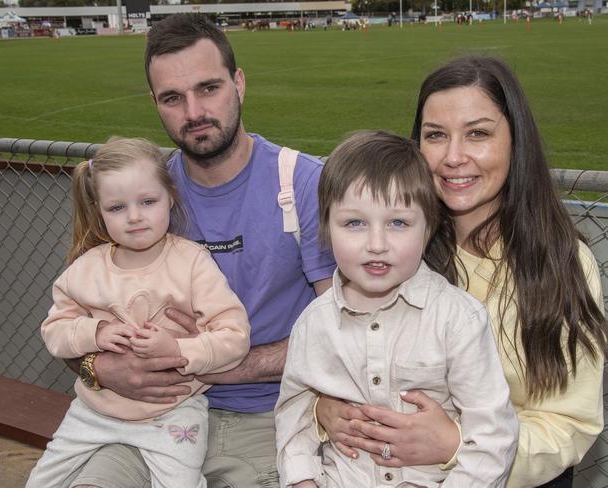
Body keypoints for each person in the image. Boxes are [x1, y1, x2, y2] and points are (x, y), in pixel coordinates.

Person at [69, 13, 336, 488]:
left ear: (239, 83)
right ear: (155, 103)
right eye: (173, 98)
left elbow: (346, 331)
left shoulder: (302, 183)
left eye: (208, 88)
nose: (193, 112)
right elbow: (75, 320)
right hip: (143, 419)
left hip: (264, 417)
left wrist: (213, 362)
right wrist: (101, 367)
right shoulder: (143, 197)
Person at [315, 55, 607, 488]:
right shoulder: (388, 253)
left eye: (478, 134)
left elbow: (570, 423)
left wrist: (457, 445)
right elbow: (330, 358)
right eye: (436, 135)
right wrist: (325, 409)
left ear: (515, 141)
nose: (454, 157)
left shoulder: (561, 263)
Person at [275, 130, 518, 487]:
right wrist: (302, 481)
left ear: (428, 228)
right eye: (354, 223)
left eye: (398, 223)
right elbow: (293, 419)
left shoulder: (458, 319)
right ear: (326, 228)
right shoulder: (314, 324)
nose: (376, 244)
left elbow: (492, 439)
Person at [26, 136, 251, 488]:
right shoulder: (86, 269)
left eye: (147, 201)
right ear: (98, 211)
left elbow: (235, 336)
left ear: (170, 198)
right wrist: (95, 332)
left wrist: (178, 350)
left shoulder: (191, 262)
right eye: (117, 207)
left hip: (174, 412)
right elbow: (55, 330)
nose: (134, 217)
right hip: (94, 412)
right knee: (42, 481)